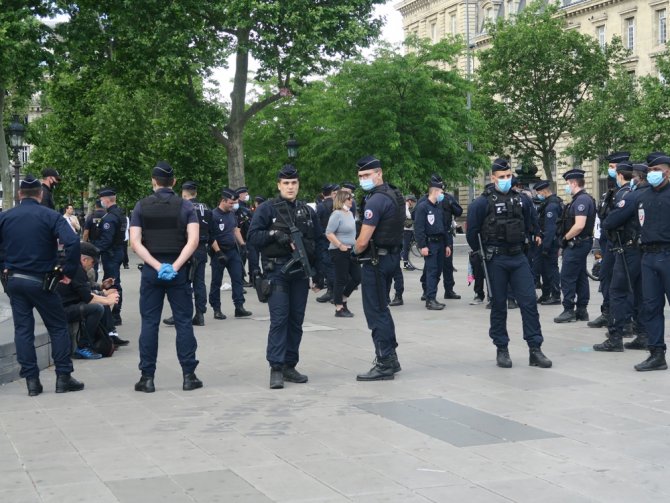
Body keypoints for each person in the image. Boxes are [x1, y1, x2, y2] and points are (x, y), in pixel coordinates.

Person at [0, 175, 84, 396]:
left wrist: (4, 271)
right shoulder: (50, 216)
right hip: (42, 280)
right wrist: (68, 271)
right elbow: (73, 241)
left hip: (16, 280)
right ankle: (63, 377)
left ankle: (32, 381)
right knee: (57, 327)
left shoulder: (6, 217)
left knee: (23, 330)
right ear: (39, 194)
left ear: (19, 194)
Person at [466, 158, 552, 369]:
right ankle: (502, 349)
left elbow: (532, 224)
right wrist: (483, 253)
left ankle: (535, 349)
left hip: (518, 257)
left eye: (508, 176)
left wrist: (536, 237)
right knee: (499, 305)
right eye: (501, 177)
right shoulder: (481, 203)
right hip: (496, 258)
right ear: (493, 177)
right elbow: (471, 234)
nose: (505, 180)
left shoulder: (522, 200)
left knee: (529, 302)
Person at [247, 164, 325, 389]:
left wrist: (320, 273)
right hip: (277, 271)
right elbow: (252, 237)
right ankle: (276, 368)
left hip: (300, 273)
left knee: (296, 320)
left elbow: (319, 242)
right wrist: (274, 234)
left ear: (298, 185)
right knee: (280, 319)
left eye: (294, 183)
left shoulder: (308, 211)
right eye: (286, 183)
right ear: (279, 185)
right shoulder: (267, 209)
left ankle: (290, 365)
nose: (290, 187)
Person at [129, 161, 202, 393]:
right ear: (174, 182)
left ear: (153, 181)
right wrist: (175, 266)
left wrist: (157, 265)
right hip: (178, 271)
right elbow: (193, 241)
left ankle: (147, 377)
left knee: (150, 323)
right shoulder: (186, 207)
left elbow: (135, 243)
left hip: (152, 271)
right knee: (183, 321)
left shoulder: (141, 206)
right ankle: (189, 375)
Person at [352, 155, 404, 380]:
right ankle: (391, 357)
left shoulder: (375, 201)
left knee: (375, 311)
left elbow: (363, 241)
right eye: (361, 176)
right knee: (383, 308)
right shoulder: (394, 194)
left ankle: (384, 362)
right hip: (390, 258)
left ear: (379, 173)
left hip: (375, 261)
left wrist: (352, 251)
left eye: (367, 175)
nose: (364, 179)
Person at [594, 161, 639, 352]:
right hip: (634, 248)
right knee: (639, 292)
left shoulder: (625, 195)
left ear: (620, 175)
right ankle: (643, 334)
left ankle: (616, 337)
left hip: (625, 248)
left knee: (618, 291)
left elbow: (610, 220)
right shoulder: (636, 193)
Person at [57, 241, 120, 359]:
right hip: (62, 310)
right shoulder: (75, 268)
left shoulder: (72, 264)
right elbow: (88, 298)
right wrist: (108, 300)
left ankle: (107, 338)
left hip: (66, 304)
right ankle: (82, 346)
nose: (93, 266)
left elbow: (83, 286)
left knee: (100, 304)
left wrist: (101, 287)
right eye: (93, 262)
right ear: (84, 259)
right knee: (97, 308)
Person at [588, 151, 630, 328]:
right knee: (606, 279)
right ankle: (608, 312)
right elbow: (601, 220)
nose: (609, 171)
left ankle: (625, 319)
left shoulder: (627, 193)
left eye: (612, 168)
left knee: (622, 284)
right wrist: (597, 244)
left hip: (620, 244)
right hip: (607, 243)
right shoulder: (610, 193)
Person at [164, 181, 211, 326]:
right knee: (199, 282)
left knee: (183, 283)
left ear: (184, 194)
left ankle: (179, 314)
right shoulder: (206, 208)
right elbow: (212, 229)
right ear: (195, 193)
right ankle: (200, 314)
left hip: (186, 249)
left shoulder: (182, 207)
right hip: (202, 248)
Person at [554, 169, 597, 323]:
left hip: (577, 243)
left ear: (573, 183)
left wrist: (565, 239)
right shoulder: (581, 199)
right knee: (580, 276)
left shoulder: (581, 201)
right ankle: (581, 310)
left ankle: (568, 310)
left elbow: (579, 225)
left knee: (567, 276)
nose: (567, 187)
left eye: (567, 184)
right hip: (580, 242)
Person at [208, 187, 252, 320]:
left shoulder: (231, 214)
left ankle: (239, 307)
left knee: (237, 278)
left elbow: (235, 230)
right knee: (216, 281)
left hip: (233, 251)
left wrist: (243, 244)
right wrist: (218, 252)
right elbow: (211, 236)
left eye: (234, 203)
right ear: (223, 201)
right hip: (219, 252)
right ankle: (216, 309)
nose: (233, 206)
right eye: (231, 203)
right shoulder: (213, 215)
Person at [92, 188, 126, 326]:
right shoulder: (120, 214)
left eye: (102, 199)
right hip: (117, 252)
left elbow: (106, 240)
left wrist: (94, 249)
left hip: (111, 254)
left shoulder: (110, 218)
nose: (101, 202)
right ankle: (115, 313)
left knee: (112, 283)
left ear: (106, 200)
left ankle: (115, 314)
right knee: (114, 281)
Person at [414, 178, 448, 310]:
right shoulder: (423, 207)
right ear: (435, 191)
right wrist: (422, 245)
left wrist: (447, 245)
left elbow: (443, 227)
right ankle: (430, 299)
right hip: (430, 243)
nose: (442, 194)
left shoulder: (438, 207)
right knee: (432, 271)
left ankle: (433, 297)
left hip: (440, 242)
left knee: (438, 271)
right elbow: (419, 228)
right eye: (441, 191)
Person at [325, 190, 361, 317]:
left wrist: (357, 246)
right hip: (338, 250)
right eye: (348, 199)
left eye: (351, 198)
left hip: (351, 250)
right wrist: (340, 245)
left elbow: (352, 233)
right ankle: (339, 308)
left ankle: (343, 298)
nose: (351, 201)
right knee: (341, 279)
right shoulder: (336, 214)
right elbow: (329, 233)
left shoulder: (350, 214)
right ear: (341, 200)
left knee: (357, 277)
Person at [534, 180, 562, 305]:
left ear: (544, 191)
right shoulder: (547, 203)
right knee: (544, 269)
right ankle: (546, 294)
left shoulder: (552, 205)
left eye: (538, 192)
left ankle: (555, 295)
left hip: (550, 242)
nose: (538, 194)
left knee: (551, 269)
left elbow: (551, 228)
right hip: (546, 240)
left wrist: (546, 246)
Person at [315, 184, 338, 303]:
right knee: (334, 265)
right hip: (336, 239)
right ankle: (331, 291)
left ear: (323, 194)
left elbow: (316, 224)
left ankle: (333, 292)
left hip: (324, 240)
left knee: (328, 267)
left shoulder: (321, 206)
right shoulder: (337, 205)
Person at [440, 188, 463, 300]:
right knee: (431, 267)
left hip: (447, 235)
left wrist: (451, 203)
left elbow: (459, 211)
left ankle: (449, 290)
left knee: (448, 265)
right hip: (432, 237)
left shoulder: (448, 198)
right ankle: (427, 292)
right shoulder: (426, 199)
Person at [401, 195, 417, 271]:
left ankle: (405, 262)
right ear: (410, 201)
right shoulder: (405, 207)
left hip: (409, 229)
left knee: (406, 247)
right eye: (413, 202)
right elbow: (408, 216)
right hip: (406, 230)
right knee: (406, 247)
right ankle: (405, 264)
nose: (414, 204)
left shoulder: (408, 207)